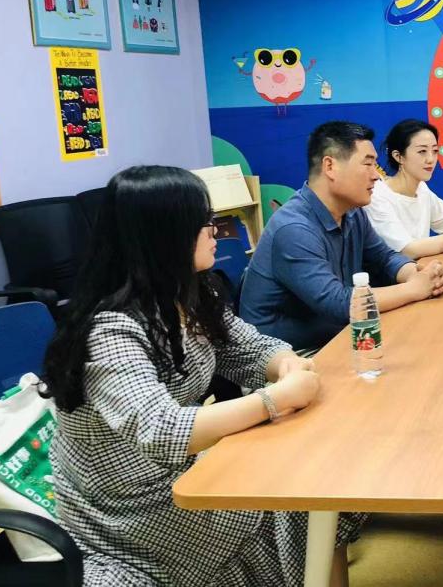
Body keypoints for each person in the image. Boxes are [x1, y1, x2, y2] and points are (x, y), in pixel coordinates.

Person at [40, 166, 367, 586]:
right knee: (303, 487)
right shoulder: (110, 329)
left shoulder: (192, 292)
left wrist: (283, 362)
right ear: (164, 236)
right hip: (130, 503)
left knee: (317, 478)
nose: (217, 231)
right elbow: (162, 430)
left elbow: (248, 347)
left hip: (184, 468)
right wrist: (275, 399)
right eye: (203, 223)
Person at [239, 121, 443, 351]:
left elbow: (384, 258)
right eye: (367, 164)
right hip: (288, 355)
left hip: (337, 334)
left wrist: (417, 274)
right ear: (330, 166)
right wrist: (414, 289)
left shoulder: (352, 213)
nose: (376, 176)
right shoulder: (293, 228)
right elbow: (337, 303)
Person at [365, 118, 443, 258]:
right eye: (422, 151)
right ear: (398, 156)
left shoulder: (421, 188)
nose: (431, 159)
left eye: (435, 151)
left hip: (423, 268)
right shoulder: (377, 195)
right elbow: (408, 250)